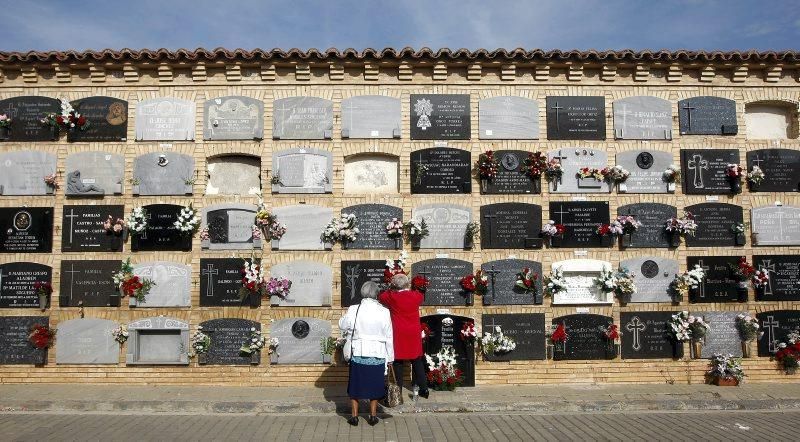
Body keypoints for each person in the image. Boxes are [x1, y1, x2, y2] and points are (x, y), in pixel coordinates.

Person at [339, 281, 394, 427]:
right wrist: (391, 357)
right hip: (377, 353)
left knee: (355, 385)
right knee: (375, 385)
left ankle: (355, 416)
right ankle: (373, 415)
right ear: (377, 294)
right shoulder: (384, 311)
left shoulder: (354, 309)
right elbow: (389, 336)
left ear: (362, 293)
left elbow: (343, 325)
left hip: (359, 351)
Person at [379, 273, 429, 401]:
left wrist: (391, 288)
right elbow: (420, 296)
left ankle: (398, 391)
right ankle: (424, 389)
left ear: (394, 285)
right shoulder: (416, 296)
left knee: (398, 362)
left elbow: (382, 296)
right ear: (407, 284)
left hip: (398, 332)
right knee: (417, 360)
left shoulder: (392, 297)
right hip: (413, 332)